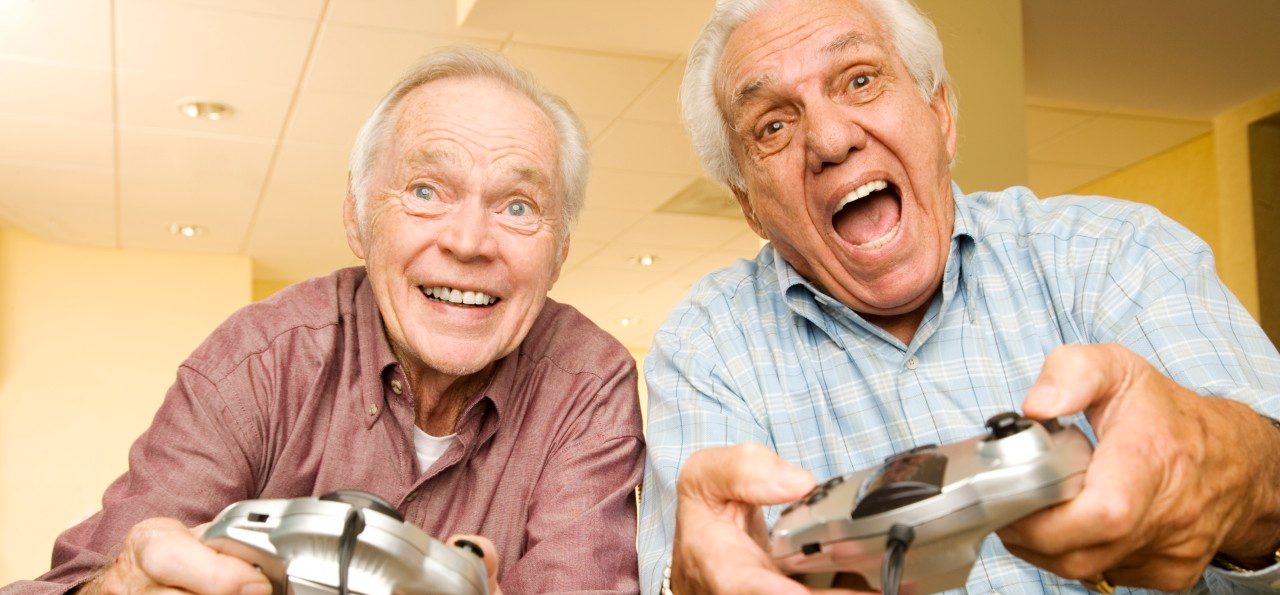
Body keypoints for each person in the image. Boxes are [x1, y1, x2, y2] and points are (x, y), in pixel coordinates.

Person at [637, 0, 1280, 593]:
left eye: (859, 80)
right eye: (773, 125)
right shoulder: (708, 345)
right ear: (750, 205)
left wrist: (1231, 474)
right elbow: (694, 561)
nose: (831, 142)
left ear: (940, 115)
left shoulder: (1115, 249)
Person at [3, 46, 644, 595]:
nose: (470, 240)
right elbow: (81, 579)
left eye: (518, 205)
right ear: (357, 216)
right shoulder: (259, 359)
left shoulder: (588, 385)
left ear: (559, 252)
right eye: (425, 191)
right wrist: (121, 584)